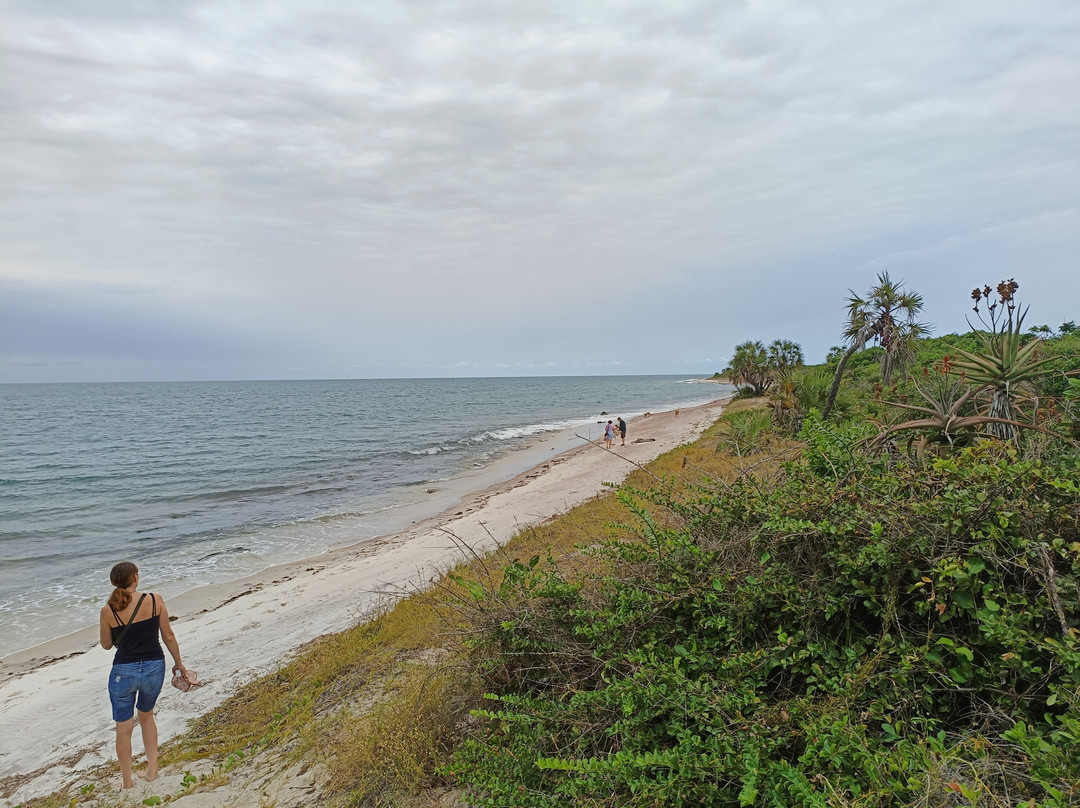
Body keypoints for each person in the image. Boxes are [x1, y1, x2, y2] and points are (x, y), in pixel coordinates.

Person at [99, 561, 187, 789]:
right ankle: (151, 771)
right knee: (147, 716)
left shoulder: (108, 610)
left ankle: (127, 782)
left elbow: (106, 645)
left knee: (123, 727)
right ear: (136, 578)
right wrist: (179, 663)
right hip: (153, 667)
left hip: (123, 673)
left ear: (114, 582)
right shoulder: (155, 599)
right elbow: (168, 636)